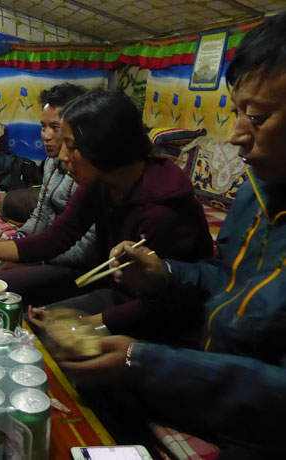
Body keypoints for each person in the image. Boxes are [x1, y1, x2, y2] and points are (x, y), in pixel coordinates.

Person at [60, 12, 286, 458]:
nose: (237, 136)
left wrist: (143, 360)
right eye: (238, 110)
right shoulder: (258, 190)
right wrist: (163, 273)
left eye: (257, 117)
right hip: (208, 356)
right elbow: (227, 280)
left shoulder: (162, 205)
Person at [0, 88, 213, 341]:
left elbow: (160, 301)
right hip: (119, 292)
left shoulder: (162, 210)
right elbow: (56, 239)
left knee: (41, 335)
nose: (63, 156)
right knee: (22, 319)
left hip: (164, 317)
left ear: (105, 147)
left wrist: (83, 324)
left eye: (72, 146)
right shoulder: (102, 183)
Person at [0, 83, 98, 307]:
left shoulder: (89, 171)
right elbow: (40, 214)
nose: (46, 136)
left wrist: (29, 258)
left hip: (78, 266)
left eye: (55, 127)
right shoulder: (50, 163)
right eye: (43, 127)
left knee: (1, 282)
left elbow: (85, 248)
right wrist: (17, 241)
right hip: (50, 250)